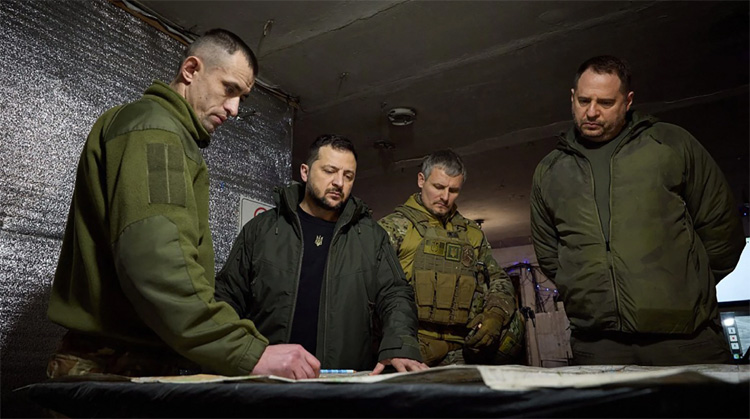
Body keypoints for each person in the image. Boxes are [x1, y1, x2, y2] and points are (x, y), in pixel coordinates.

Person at [46, 29, 303, 379]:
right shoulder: (157, 130)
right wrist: (244, 351)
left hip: (126, 358)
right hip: (115, 364)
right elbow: (157, 263)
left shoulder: (162, 131)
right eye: (229, 89)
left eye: (242, 97)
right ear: (191, 70)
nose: (234, 109)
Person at [530, 55, 745, 365]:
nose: (592, 112)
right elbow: (550, 255)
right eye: (584, 100)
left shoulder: (671, 144)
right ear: (572, 97)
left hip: (685, 339)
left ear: (628, 101)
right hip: (597, 344)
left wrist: (687, 290)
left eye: (605, 102)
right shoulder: (550, 170)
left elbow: (721, 229)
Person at [214, 134, 427, 377]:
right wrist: (239, 354)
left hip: (342, 381)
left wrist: (400, 344)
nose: (339, 182)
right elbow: (227, 295)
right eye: (329, 171)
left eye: (348, 176)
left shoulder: (371, 237)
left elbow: (395, 294)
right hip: (270, 379)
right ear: (305, 172)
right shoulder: (262, 229)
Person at [378, 150, 524, 366]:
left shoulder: (472, 233)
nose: (445, 197)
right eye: (438, 187)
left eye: (453, 190)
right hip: (409, 352)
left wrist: (495, 315)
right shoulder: (393, 228)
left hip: (463, 353)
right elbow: (368, 291)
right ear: (421, 180)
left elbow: (498, 279)